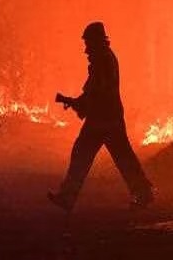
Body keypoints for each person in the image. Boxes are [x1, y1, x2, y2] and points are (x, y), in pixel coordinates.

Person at [47, 21, 154, 211]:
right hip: (106, 118)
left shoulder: (103, 61)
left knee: (86, 154)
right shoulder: (103, 59)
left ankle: (68, 197)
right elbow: (95, 91)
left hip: (104, 119)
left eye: (88, 43)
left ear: (96, 41)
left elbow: (98, 91)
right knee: (119, 156)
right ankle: (143, 193)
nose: (86, 49)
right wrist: (79, 103)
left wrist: (79, 104)